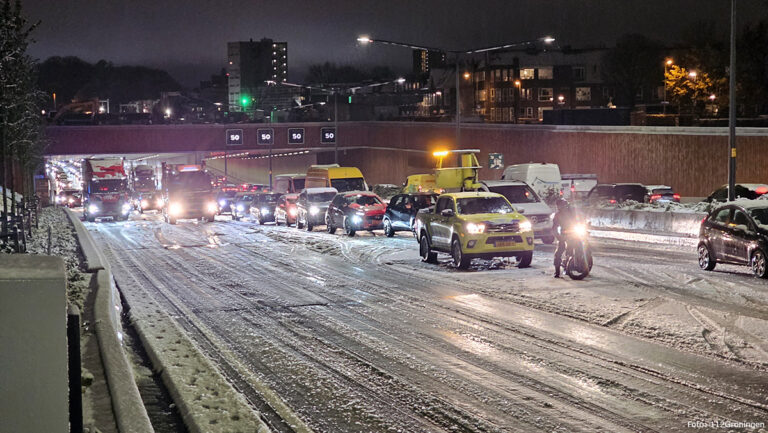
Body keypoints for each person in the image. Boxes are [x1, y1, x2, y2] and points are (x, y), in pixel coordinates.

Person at [552, 198, 578, 278]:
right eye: (559, 205)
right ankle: (557, 271)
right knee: (558, 253)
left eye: (562, 205)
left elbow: (580, 219)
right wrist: (559, 237)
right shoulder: (557, 215)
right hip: (564, 234)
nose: (561, 207)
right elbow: (554, 228)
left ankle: (579, 263)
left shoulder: (572, 213)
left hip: (575, 233)